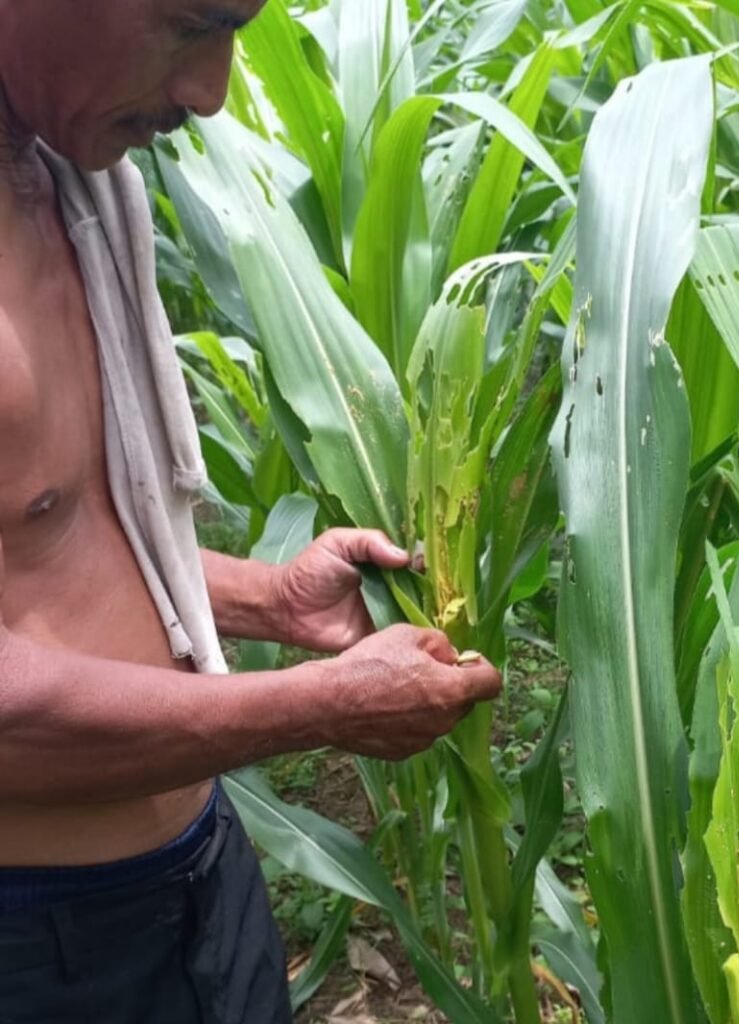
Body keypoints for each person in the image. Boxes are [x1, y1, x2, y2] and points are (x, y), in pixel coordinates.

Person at [0, 4, 503, 1021]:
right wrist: (319, 706)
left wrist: (274, 598)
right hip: (42, 943)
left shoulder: (71, 182)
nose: (212, 91)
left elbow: (70, 533)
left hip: (202, 876)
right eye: (188, 24)